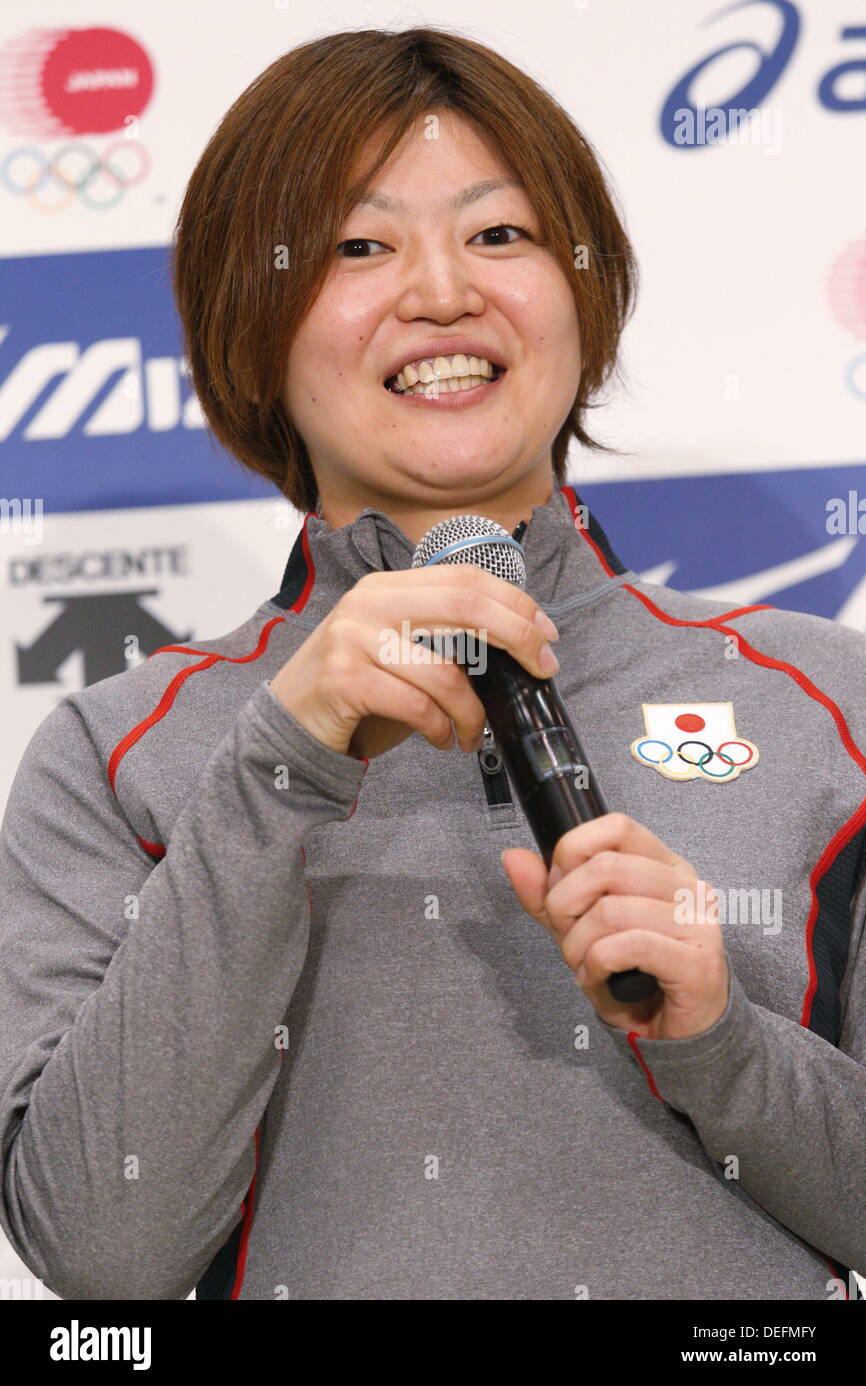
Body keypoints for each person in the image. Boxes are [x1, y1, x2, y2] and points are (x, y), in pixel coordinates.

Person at [1, 25, 864, 1302]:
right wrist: (279, 767)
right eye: (358, 246)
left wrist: (719, 1042)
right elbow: (102, 1256)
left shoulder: (819, 702)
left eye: (499, 234)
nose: (443, 292)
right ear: (252, 320)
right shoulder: (117, 748)